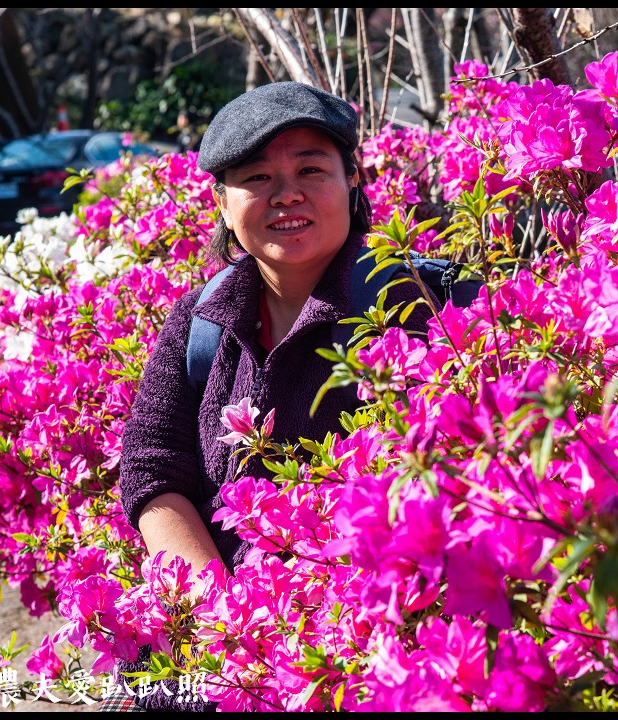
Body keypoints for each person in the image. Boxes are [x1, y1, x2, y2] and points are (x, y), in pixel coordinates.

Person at [106, 81, 439, 712]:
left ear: (353, 178)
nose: (286, 194)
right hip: (223, 639)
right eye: (256, 177)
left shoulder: (424, 306)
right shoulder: (200, 319)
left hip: (377, 641)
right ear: (224, 204)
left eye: (311, 168)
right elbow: (152, 466)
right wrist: (223, 625)